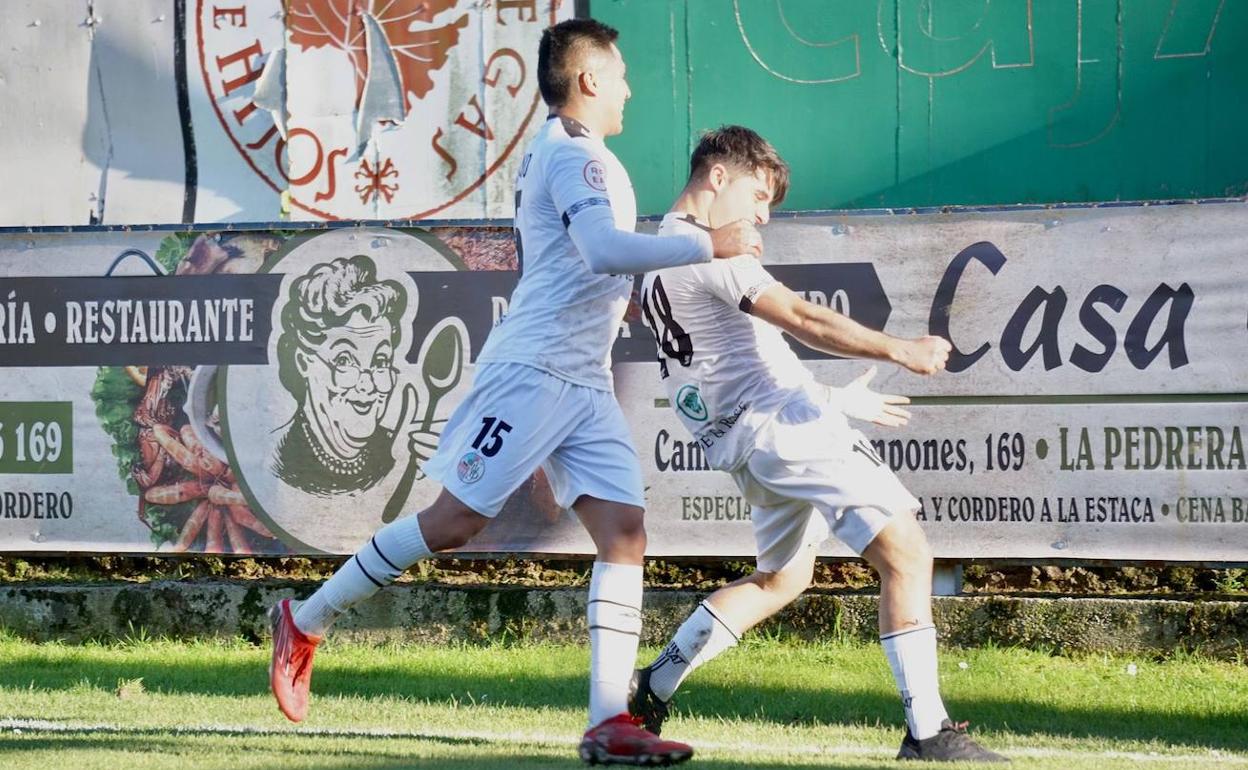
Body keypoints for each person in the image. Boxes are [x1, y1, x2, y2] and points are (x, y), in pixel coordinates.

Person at [268, 19, 762, 767]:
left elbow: (573, 265)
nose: (630, 87)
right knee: (455, 522)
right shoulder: (577, 158)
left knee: (624, 535)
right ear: (590, 79)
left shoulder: (566, 155)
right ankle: (305, 619)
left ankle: (608, 723)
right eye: (621, 74)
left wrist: (623, 305)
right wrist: (708, 243)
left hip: (582, 379)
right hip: (532, 373)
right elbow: (600, 250)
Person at [631, 126, 1008, 763]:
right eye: (757, 195)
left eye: (771, 207)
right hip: (787, 428)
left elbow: (730, 365)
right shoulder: (708, 251)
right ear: (717, 176)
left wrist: (836, 400)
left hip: (751, 446)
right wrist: (901, 349)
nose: (762, 215)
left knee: (782, 578)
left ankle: (653, 685)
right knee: (906, 551)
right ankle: (927, 733)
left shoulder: (653, 258)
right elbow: (803, 318)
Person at [272, 255, 404, 496]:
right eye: (344, 360)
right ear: (304, 362)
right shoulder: (278, 459)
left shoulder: (397, 451)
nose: (367, 385)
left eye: (380, 361)